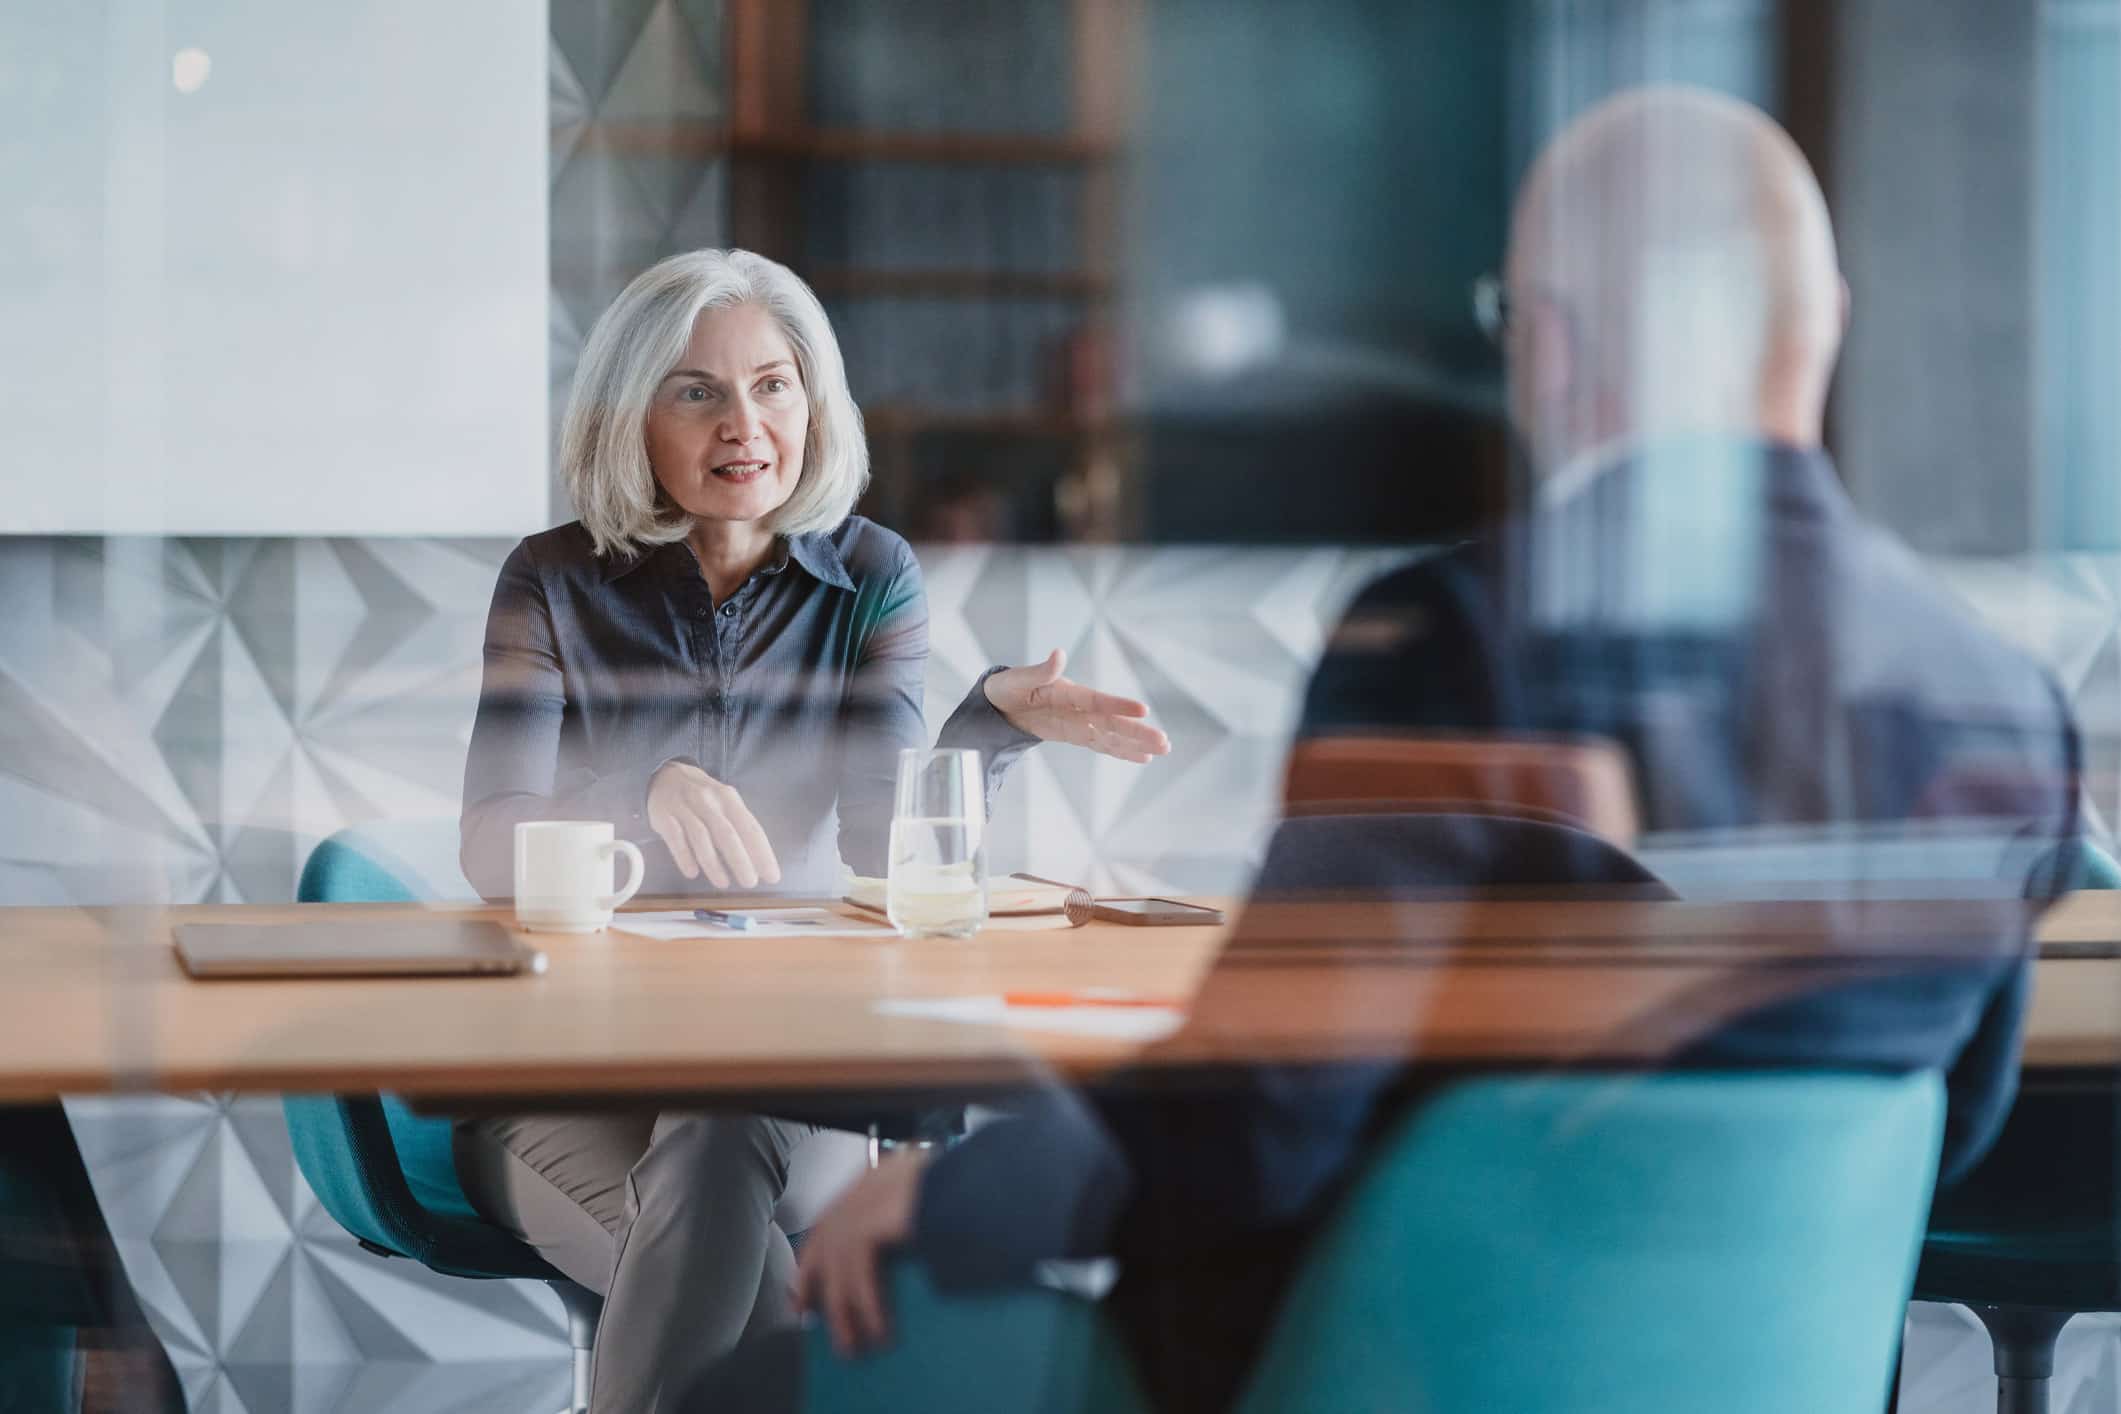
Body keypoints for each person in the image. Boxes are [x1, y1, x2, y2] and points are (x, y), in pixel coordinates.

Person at [708, 87, 2081, 1414]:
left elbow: (1252, 1120)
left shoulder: (1452, 638)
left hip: (1358, 1376)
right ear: (1823, 325)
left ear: (1544, 340)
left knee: (748, 1386)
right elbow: (1952, 1130)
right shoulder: (1995, 697)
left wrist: (953, 1197)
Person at [450, 247, 1168, 1414]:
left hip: (775, 1078)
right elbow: (490, 840)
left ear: (813, 402)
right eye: (698, 389)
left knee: (728, 1150)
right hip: (565, 1073)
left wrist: (983, 729)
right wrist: (646, 795)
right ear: (632, 413)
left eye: (773, 384)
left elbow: (890, 848)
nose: (746, 423)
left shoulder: (871, 576)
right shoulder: (550, 581)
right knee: (768, 1297)